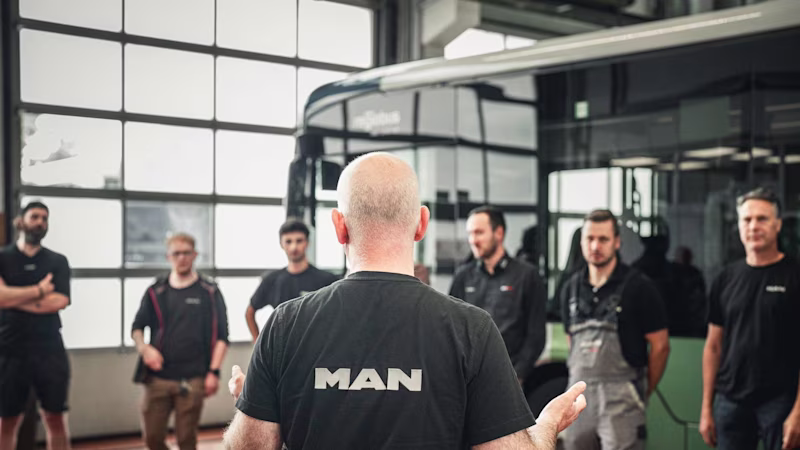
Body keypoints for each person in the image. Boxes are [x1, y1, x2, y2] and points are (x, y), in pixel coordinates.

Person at [223, 152, 587, 449]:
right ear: (421, 223)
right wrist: (546, 426)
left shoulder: (286, 325)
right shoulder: (471, 330)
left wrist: (256, 402)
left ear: (339, 226)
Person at [700, 188, 800, 450]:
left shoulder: (795, 276)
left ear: (777, 225)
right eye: (747, 219)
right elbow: (713, 346)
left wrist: (798, 412)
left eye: (762, 219)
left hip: (781, 401)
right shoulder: (726, 278)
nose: (753, 226)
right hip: (730, 401)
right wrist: (706, 408)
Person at [560, 209, 669, 450]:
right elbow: (572, 340)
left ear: (617, 242)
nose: (595, 246)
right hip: (579, 396)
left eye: (603, 239)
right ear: (582, 242)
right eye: (590, 239)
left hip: (622, 398)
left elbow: (661, 346)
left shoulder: (640, 287)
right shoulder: (570, 289)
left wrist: (639, 390)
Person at [131, 233, 229, 450]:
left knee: (186, 440)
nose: (182, 258)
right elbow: (136, 328)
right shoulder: (156, 290)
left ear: (194, 255)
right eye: (177, 253)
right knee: (152, 439)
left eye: (186, 253)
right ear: (169, 257)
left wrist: (213, 373)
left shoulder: (209, 292)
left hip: (193, 378)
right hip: (157, 378)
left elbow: (222, 336)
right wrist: (145, 349)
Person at [0, 201, 72, 450]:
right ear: (21, 221)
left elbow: (59, 301)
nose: (40, 222)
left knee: (55, 418)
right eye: (35, 216)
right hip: (9, 350)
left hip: (49, 349)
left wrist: (12, 297)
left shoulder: (57, 261)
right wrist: (39, 291)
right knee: (6, 421)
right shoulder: (2, 258)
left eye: (45, 218)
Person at [449, 206, 547, 385]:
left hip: (508, 379)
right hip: (467, 379)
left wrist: (517, 374)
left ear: (499, 233)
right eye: (470, 234)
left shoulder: (527, 275)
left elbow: (536, 334)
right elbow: (451, 327)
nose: (473, 240)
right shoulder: (463, 277)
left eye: (479, 233)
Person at [246, 220, 338, 341]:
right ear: (281, 244)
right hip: (282, 351)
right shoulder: (272, 280)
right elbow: (249, 312)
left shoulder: (326, 280)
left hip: (316, 351)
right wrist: (258, 343)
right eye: (288, 241)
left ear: (307, 243)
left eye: (299, 241)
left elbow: (339, 316)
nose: (294, 247)